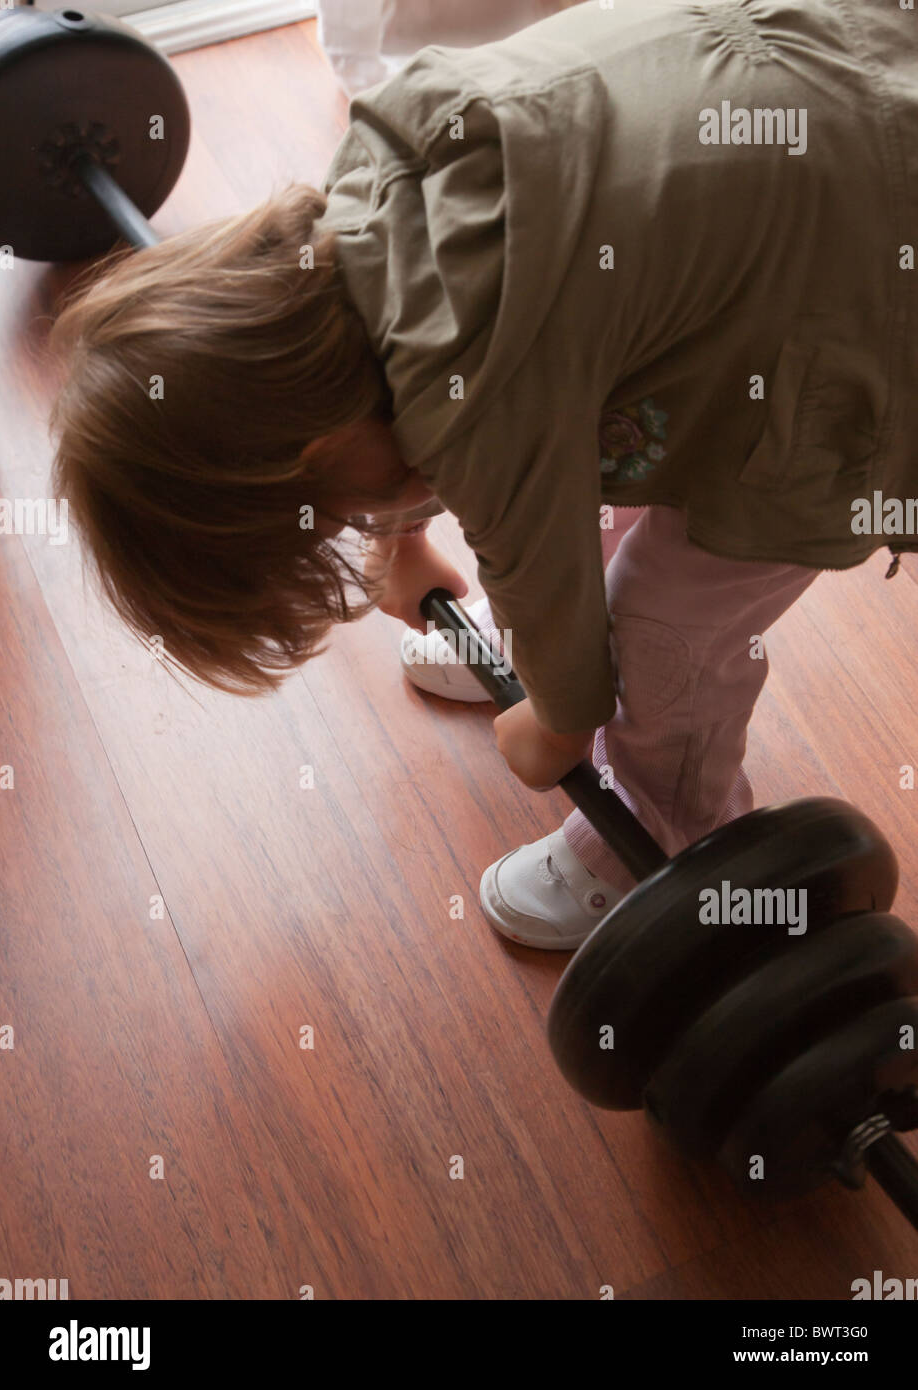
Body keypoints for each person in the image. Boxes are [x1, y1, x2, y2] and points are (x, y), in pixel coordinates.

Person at [49, 0, 918, 950]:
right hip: (834, 87)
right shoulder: (372, 194)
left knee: (669, 625)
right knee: (603, 438)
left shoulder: (480, 414)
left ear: (317, 455)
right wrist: (404, 540)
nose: (362, 517)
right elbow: (404, 399)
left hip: (865, 306)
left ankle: (671, 822)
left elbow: (533, 572)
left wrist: (552, 720)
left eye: (337, 513)